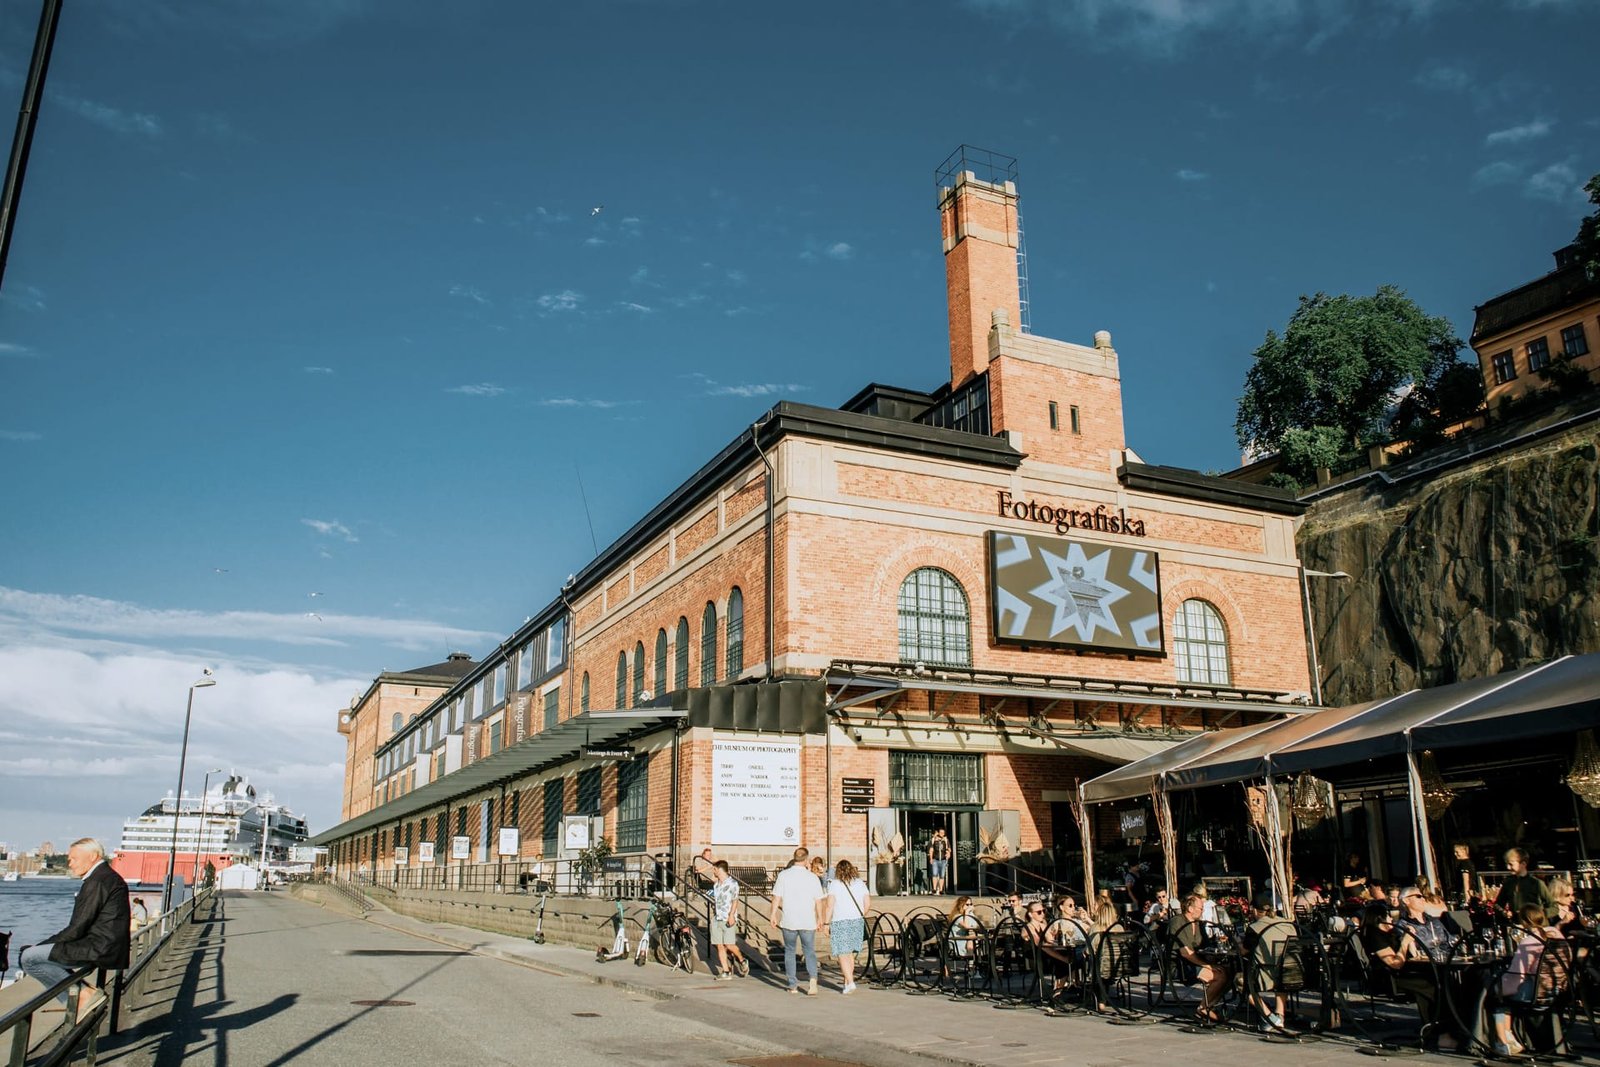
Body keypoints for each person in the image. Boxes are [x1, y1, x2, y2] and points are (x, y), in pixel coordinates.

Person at [20, 838, 130, 1010]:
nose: (69, 863)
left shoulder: (97, 881)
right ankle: (80, 998)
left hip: (99, 948)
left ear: (93, 856)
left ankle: (82, 997)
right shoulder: (105, 877)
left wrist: (40, 946)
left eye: (73, 859)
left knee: (28, 958)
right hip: (107, 945)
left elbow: (77, 927)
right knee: (35, 954)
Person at [1359, 901, 1451, 1049]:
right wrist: (1404, 943)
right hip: (1391, 977)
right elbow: (1395, 963)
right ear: (1379, 919)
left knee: (1441, 981)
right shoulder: (1374, 935)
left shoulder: (1390, 933)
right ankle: (1437, 1032)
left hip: (1406, 971)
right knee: (1432, 986)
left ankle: (1438, 1028)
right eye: (1389, 917)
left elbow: (1412, 954)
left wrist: (1409, 939)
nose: (1392, 920)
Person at [1491, 904, 1566, 1057]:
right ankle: (1510, 1036)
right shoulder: (1556, 933)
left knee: (1496, 997)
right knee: (1504, 992)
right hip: (1558, 990)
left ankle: (1503, 1043)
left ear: (1523, 922)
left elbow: (1517, 975)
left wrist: (1498, 988)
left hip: (1536, 993)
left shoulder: (1529, 941)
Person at [770, 846, 824, 995]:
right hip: (807, 920)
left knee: (790, 951)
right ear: (806, 860)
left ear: (794, 859)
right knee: (809, 951)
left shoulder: (784, 875)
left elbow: (776, 897)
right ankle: (813, 980)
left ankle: (792, 984)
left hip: (789, 920)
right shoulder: (813, 877)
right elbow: (819, 901)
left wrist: (773, 915)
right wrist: (821, 919)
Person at [1172, 893, 1231, 1022]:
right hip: (1181, 965)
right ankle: (1203, 1009)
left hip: (1195, 962)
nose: (1202, 911)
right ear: (1190, 908)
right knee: (1219, 976)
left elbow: (1207, 945)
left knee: (1229, 972)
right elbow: (1185, 953)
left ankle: (1209, 1005)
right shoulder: (1178, 922)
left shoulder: (1198, 924)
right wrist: (1208, 966)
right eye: (1200, 908)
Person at [1243, 894, 1293, 1032]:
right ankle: (1280, 1015)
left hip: (1267, 974)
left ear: (1254, 910)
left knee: (1240, 982)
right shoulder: (1288, 924)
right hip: (1291, 973)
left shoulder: (1255, 927)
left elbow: (1243, 950)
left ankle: (1269, 1016)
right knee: (1281, 976)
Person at [822, 859, 870, 994]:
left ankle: (850, 981)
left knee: (842, 953)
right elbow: (867, 903)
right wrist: (860, 914)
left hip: (840, 921)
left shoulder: (835, 884)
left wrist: (826, 923)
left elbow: (829, 906)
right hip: (856, 920)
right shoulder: (860, 883)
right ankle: (847, 982)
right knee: (850, 954)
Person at [708, 861, 749, 980]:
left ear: (720, 870)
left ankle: (741, 960)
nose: (713, 871)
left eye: (714, 869)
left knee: (729, 944)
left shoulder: (732, 884)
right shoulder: (716, 885)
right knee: (719, 945)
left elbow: (735, 900)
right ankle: (726, 971)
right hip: (717, 917)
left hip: (728, 917)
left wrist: (731, 915)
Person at [1394, 885, 1451, 964]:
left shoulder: (1434, 921)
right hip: (1429, 966)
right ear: (1406, 900)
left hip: (1450, 960)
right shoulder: (1403, 925)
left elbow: (1450, 940)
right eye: (1419, 896)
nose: (1423, 899)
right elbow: (1414, 953)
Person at [1495, 849, 1555, 917]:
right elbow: (1498, 904)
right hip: (1516, 924)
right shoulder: (1508, 883)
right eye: (1507, 864)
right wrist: (1504, 912)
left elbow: (1554, 907)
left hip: (1535, 924)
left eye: (1511, 864)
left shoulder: (1536, 883)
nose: (1508, 867)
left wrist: (1538, 914)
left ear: (1523, 864)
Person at [927, 828, 951, 895]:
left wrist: (948, 854)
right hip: (935, 859)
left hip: (943, 860)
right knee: (934, 874)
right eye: (941, 832)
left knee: (942, 875)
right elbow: (931, 850)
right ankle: (934, 889)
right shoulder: (933, 840)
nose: (942, 834)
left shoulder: (946, 840)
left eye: (943, 833)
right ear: (938, 833)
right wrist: (931, 858)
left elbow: (949, 849)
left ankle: (941, 890)